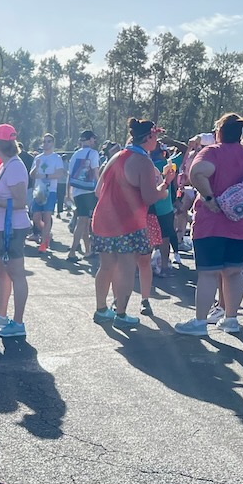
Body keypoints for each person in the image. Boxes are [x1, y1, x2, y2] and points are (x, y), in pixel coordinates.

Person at [175, 111, 243, 335]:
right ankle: (231, 319)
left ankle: (199, 322)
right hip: (240, 224)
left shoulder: (212, 152)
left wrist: (208, 197)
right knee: (234, 272)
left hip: (211, 224)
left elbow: (197, 172)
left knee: (208, 274)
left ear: (219, 132)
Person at [90, 119, 166, 328]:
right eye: (156, 136)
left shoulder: (116, 156)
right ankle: (121, 315)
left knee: (105, 266)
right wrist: (165, 186)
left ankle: (101, 309)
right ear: (149, 137)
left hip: (103, 220)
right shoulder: (143, 162)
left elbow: (98, 191)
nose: (157, 141)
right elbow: (150, 197)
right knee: (126, 267)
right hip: (127, 223)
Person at [0, 124, 31, 337]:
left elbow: (19, 201)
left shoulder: (15, 166)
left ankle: (18, 323)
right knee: (2, 272)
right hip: (2, 228)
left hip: (12, 229)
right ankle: (2, 316)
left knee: (16, 273)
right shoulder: (7, 165)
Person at [65, 130, 101, 262]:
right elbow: (96, 172)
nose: (94, 141)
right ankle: (72, 252)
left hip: (77, 191)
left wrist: (67, 193)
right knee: (82, 222)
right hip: (88, 191)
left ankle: (87, 250)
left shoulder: (75, 154)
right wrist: (100, 188)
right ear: (90, 139)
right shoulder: (93, 153)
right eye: (93, 139)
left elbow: (70, 174)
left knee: (84, 221)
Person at [29, 133, 65, 252]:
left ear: (53, 143)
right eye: (44, 141)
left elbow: (60, 173)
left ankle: (44, 243)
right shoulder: (38, 158)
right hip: (39, 191)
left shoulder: (56, 158)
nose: (46, 143)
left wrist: (45, 175)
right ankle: (46, 233)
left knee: (47, 215)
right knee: (36, 216)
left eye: (49, 141)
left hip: (51, 190)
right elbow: (32, 174)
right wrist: (36, 167)